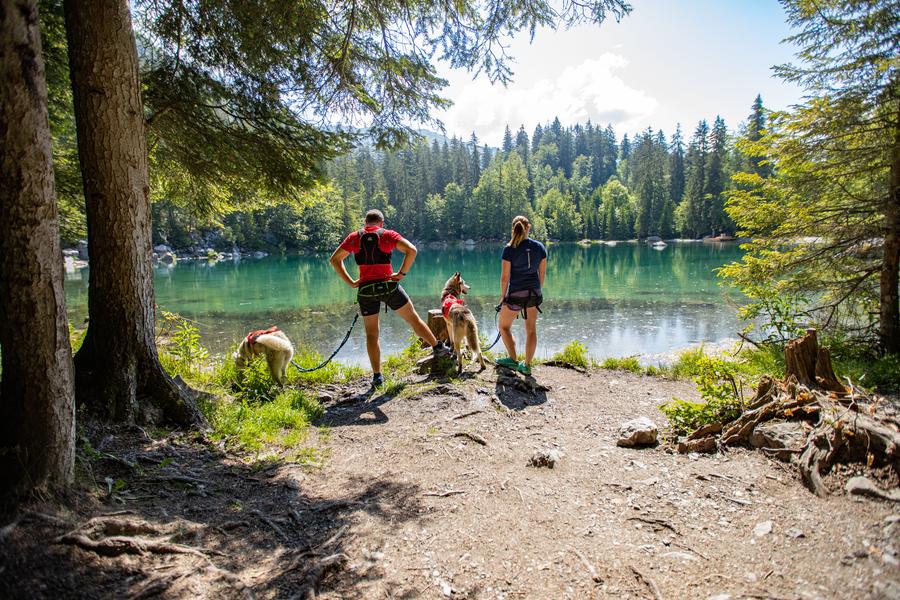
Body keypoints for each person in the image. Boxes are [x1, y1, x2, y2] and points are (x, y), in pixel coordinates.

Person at [330, 209, 450, 387]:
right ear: (382, 222)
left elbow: (335, 260)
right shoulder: (387, 235)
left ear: (366, 223)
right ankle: (438, 348)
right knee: (414, 319)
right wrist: (401, 274)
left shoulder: (354, 237)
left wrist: (351, 282)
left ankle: (377, 376)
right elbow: (412, 250)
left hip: (366, 290)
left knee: (372, 334)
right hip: (389, 286)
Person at [497, 215, 547, 376]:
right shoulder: (539, 247)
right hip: (534, 292)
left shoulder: (509, 249)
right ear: (529, 227)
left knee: (504, 326)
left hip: (516, 293)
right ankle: (526, 365)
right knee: (531, 330)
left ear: (513, 229)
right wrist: (537, 291)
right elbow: (542, 274)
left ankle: (512, 359)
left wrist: (502, 297)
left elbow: (505, 277)